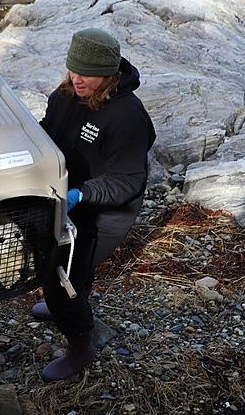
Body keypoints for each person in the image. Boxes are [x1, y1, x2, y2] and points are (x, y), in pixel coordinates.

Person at [35, 28, 156, 381]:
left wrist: (80, 195)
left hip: (105, 210)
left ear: (107, 73)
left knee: (61, 278)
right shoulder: (66, 93)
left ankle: (80, 347)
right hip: (64, 193)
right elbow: (49, 129)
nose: (76, 78)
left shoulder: (126, 116)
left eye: (86, 72)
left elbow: (129, 180)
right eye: (73, 68)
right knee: (56, 266)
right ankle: (66, 306)